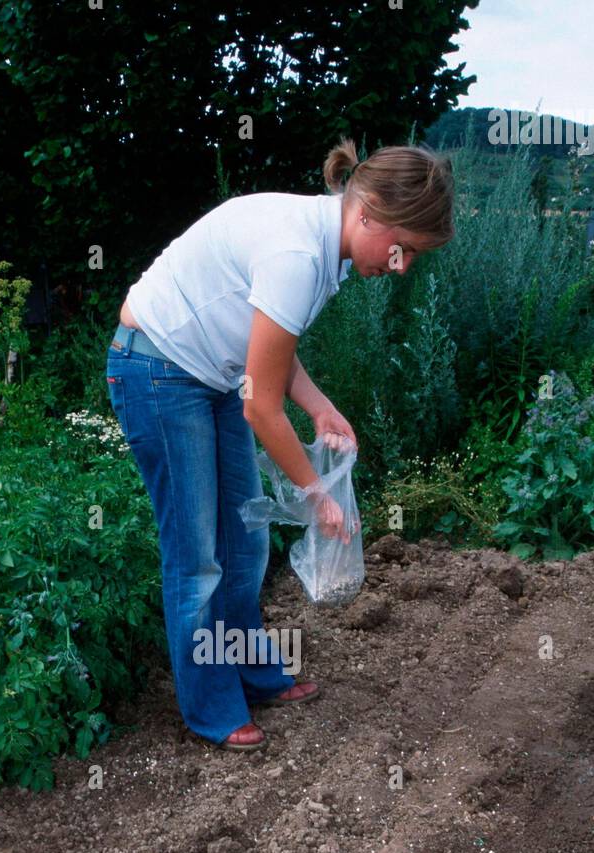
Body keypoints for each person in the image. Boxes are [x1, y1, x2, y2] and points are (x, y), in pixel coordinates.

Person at [105, 137, 454, 750]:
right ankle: (211, 706)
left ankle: (252, 672)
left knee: (246, 539)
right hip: (156, 372)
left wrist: (319, 407)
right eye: (402, 247)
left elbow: (272, 350)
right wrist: (315, 491)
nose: (401, 265)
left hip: (210, 373)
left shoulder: (328, 251)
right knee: (197, 556)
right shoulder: (297, 251)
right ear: (366, 210)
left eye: (414, 255)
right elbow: (261, 405)